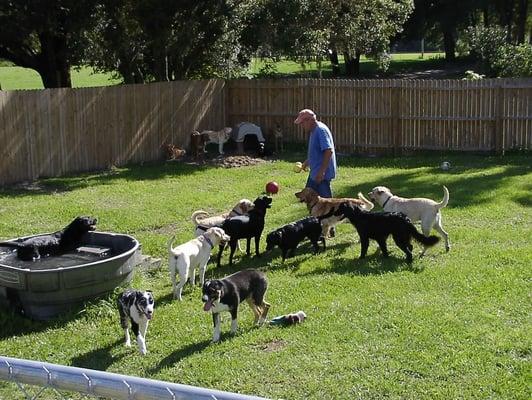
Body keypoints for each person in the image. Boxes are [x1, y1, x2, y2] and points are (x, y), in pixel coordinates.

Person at [294, 108, 337, 198]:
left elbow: (328, 151)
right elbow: (316, 152)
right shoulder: (314, 130)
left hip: (321, 176)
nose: (301, 125)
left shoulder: (320, 130)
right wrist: (306, 162)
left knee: (327, 204)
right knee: (307, 199)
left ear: (310, 120)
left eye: (302, 123)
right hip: (314, 173)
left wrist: (321, 172)